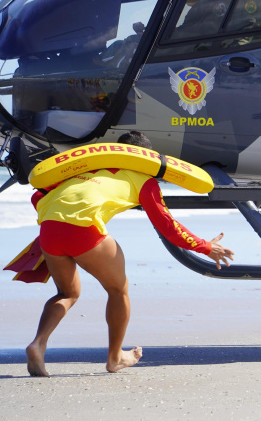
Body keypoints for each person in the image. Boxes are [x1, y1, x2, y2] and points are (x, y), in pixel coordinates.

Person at [24, 131, 234, 377]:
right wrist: (205, 247)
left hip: (49, 228)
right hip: (84, 230)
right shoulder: (144, 179)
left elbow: (38, 196)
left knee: (67, 293)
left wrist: (60, 226)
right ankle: (115, 358)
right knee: (118, 290)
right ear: (147, 157)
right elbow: (168, 226)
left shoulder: (85, 168)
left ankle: (38, 344)